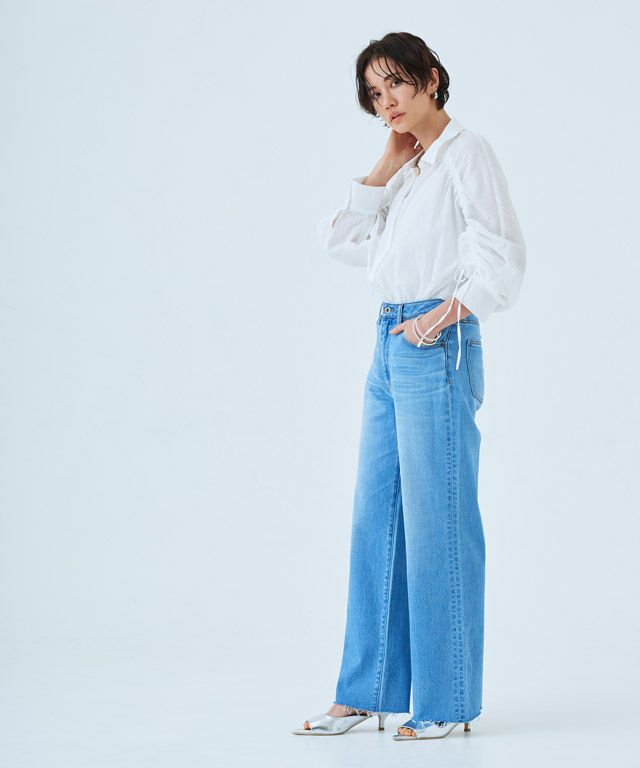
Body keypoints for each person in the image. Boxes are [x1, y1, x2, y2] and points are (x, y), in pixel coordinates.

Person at [291, 32, 526, 741]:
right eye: (373, 92)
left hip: (435, 341)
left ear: (431, 78)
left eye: (395, 82)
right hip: (388, 343)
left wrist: (440, 319)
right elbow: (341, 242)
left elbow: (503, 256)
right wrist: (385, 165)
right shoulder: (409, 167)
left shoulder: (466, 153)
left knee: (437, 521)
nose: (385, 100)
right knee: (377, 517)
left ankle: (446, 701)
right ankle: (366, 691)